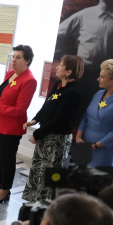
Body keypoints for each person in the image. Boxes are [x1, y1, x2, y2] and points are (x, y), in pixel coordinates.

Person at [22, 55, 84, 202]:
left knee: (50, 175)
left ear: (68, 72)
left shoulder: (73, 93)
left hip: (57, 139)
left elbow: (59, 121)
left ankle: (45, 206)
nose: (57, 67)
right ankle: (34, 202)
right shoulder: (58, 85)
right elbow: (46, 106)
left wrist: (37, 134)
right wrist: (35, 120)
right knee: (38, 170)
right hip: (46, 135)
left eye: (61, 65)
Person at [0, 45, 37, 204]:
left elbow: (20, 110)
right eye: (13, 56)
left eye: (18, 57)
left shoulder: (29, 80)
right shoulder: (10, 73)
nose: (13, 60)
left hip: (11, 127)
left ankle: (5, 189)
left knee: (7, 159)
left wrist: (0, 109)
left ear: (27, 60)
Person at [76, 59, 113, 168]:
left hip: (103, 150)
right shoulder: (99, 94)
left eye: (102, 77)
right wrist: (79, 137)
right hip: (85, 144)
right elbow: (85, 117)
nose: (98, 79)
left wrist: (95, 146)